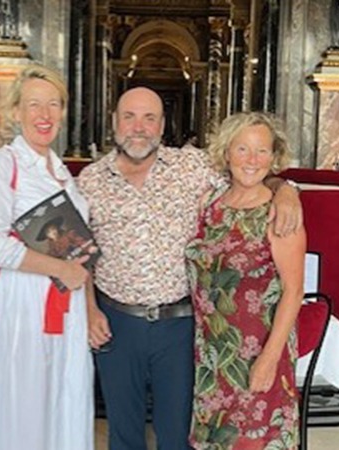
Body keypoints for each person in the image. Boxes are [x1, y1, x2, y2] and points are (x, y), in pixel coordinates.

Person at [78, 87, 302, 450]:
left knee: (180, 431)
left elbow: (251, 173)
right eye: (129, 117)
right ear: (114, 122)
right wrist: (89, 310)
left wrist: (287, 188)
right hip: (116, 320)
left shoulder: (192, 167)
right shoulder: (88, 180)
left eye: (149, 118)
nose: (139, 127)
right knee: (122, 429)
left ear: (163, 126)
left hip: (181, 325)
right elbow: (79, 252)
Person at [0, 64, 94, 450]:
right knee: (20, 404)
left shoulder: (62, 172)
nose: (45, 114)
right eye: (34, 104)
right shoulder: (3, 164)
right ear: (15, 111)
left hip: (63, 305)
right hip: (17, 305)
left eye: (54, 104)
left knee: (60, 398)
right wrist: (61, 269)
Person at [187, 112, 306, 449]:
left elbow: (294, 292)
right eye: (243, 149)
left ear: (274, 156)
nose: (252, 160)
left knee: (253, 440)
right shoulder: (209, 203)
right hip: (212, 353)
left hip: (259, 352)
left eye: (262, 151)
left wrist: (268, 360)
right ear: (227, 153)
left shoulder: (279, 214)